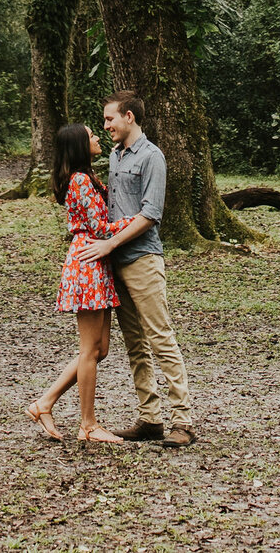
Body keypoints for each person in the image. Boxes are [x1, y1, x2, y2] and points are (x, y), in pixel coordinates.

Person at [75, 92, 196, 447]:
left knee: (161, 338)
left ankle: (183, 422)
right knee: (135, 344)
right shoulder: (115, 155)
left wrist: (110, 244)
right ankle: (150, 419)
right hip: (116, 264)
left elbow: (151, 213)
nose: (105, 125)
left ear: (129, 117)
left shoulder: (151, 156)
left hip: (143, 259)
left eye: (110, 119)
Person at [24, 122, 127, 443]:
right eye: (91, 135)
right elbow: (100, 227)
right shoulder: (80, 180)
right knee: (89, 350)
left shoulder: (87, 176)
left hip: (97, 260)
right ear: (80, 145)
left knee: (99, 349)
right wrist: (139, 219)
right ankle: (88, 425)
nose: (97, 137)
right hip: (88, 261)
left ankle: (45, 403)